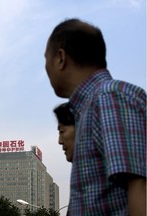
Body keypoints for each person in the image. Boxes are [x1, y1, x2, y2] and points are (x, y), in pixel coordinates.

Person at [45, 18, 146, 215]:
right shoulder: (90, 108)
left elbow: (141, 188)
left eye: (45, 58)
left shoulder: (109, 98)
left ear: (60, 58)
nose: (46, 68)